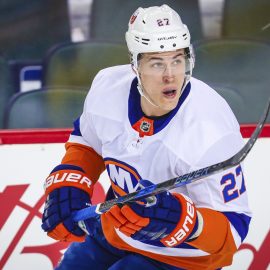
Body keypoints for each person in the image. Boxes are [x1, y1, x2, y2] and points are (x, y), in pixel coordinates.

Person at [41, 4, 252, 270]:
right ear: (135, 64)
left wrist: (185, 221)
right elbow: (89, 141)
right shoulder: (107, 86)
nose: (170, 75)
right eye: (156, 63)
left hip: (182, 259)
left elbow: (233, 232)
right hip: (114, 233)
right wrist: (74, 179)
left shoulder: (210, 129)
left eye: (178, 60)